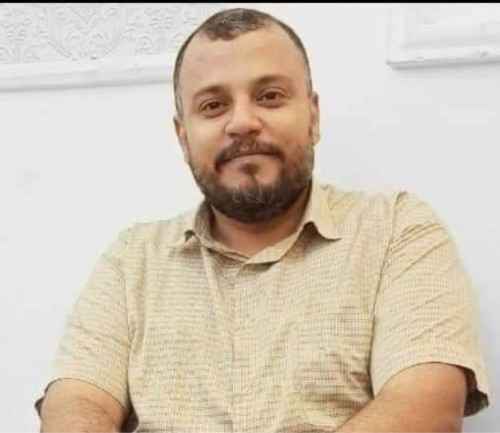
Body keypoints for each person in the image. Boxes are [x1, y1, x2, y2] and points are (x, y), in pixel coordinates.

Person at [35, 7, 490, 432]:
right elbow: (76, 404)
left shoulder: (396, 230)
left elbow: (425, 406)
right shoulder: (131, 260)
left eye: (270, 97)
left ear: (313, 116)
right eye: (213, 106)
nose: (242, 123)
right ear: (183, 137)